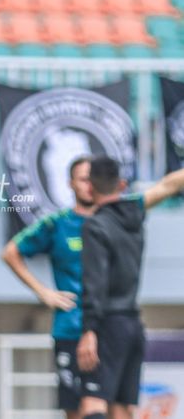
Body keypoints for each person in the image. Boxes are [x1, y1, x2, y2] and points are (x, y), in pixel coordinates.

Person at [77, 156, 184, 419]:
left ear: (89, 188)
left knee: (93, 403)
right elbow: (169, 185)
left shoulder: (94, 226)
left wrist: (89, 330)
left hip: (107, 325)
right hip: (133, 324)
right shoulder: (135, 211)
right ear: (122, 184)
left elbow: (95, 282)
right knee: (122, 408)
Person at [1, 156, 94, 419]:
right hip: (70, 330)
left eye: (93, 179)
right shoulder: (58, 223)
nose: (89, 185)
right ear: (71, 184)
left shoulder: (112, 221)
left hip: (106, 329)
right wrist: (44, 292)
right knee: (75, 409)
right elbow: (10, 252)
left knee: (108, 408)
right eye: (83, 179)